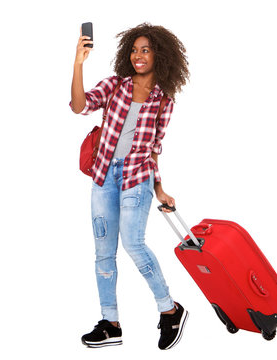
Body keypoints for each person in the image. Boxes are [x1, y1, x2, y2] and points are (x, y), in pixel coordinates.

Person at [70, 23, 190, 350]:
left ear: (159, 56)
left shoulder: (163, 100)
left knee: (133, 244)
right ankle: (110, 323)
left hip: (137, 176)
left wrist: (160, 188)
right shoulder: (115, 85)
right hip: (104, 175)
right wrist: (78, 63)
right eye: (135, 50)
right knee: (103, 252)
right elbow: (80, 105)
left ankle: (170, 309)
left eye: (145, 50)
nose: (138, 56)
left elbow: (155, 148)